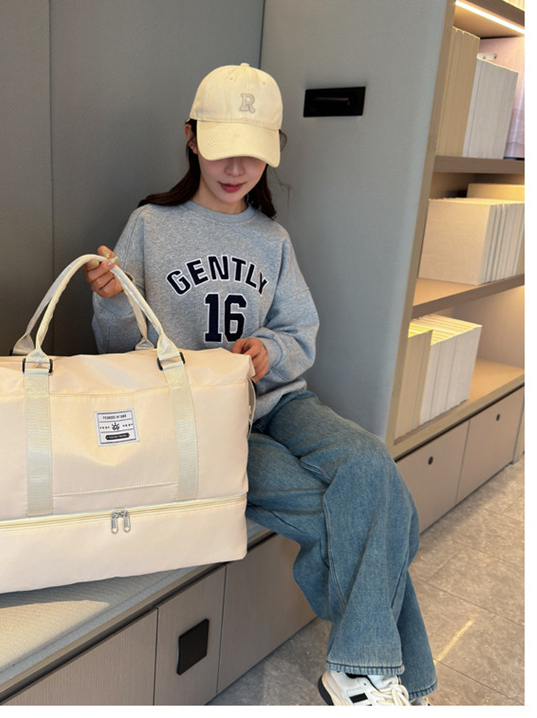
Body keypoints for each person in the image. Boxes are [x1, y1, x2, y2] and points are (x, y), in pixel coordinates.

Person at [82, 63, 437, 706]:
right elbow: (116, 354)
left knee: (372, 465)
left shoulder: (272, 239)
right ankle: (379, 676)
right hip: (203, 424)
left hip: (277, 400)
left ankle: (359, 673)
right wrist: (109, 303)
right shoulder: (150, 226)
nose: (237, 167)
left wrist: (268, 350)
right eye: (223, 147)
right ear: (192, 138)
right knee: (371, 516)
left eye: (253, 152)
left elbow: (300, 331)